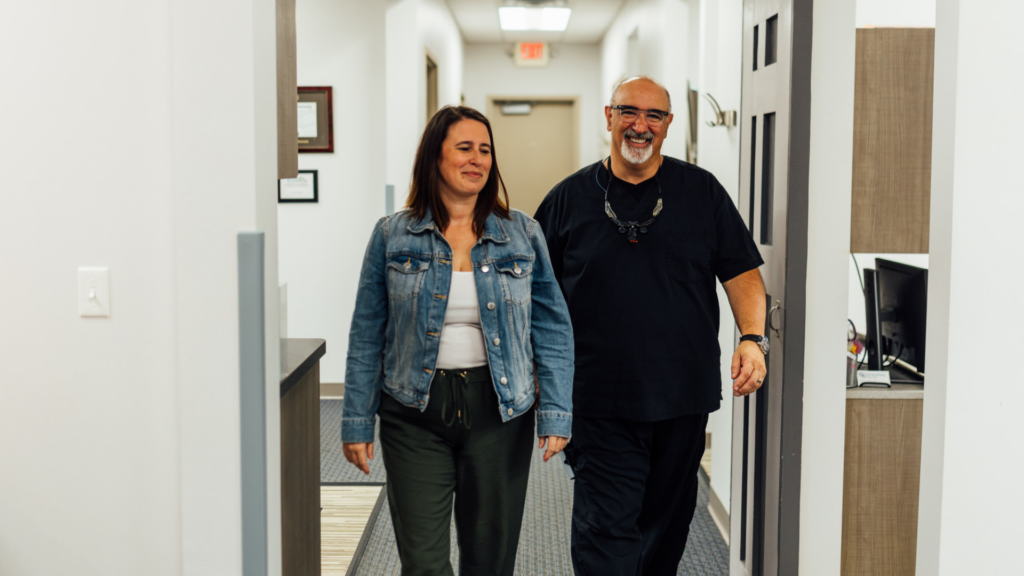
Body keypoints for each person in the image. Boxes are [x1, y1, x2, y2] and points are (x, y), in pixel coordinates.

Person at [533, 76, 768, 575]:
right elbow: (535, 298)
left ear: (667, 125)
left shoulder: (701, 192)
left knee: (666, 527)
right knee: (606, 532)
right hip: (598, 399)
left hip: (682, 396)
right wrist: (542, 378)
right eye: (629, 112)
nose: (640, 126)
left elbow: (743, 274)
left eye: (653, 116)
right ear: (609, 116)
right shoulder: (566, 200)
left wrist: (752, 338)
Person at [341, 105, 574, 576]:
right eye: (464, 148)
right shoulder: (392, 235)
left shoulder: (522, 233)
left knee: (490, 560)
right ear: (435, 157)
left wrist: (556, 411)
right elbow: (367, 332)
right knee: (423, 563)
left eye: (485, 150)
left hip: (500, 412)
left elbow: (552, 328)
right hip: (413, 413)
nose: (478, 160)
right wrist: (356, 419)